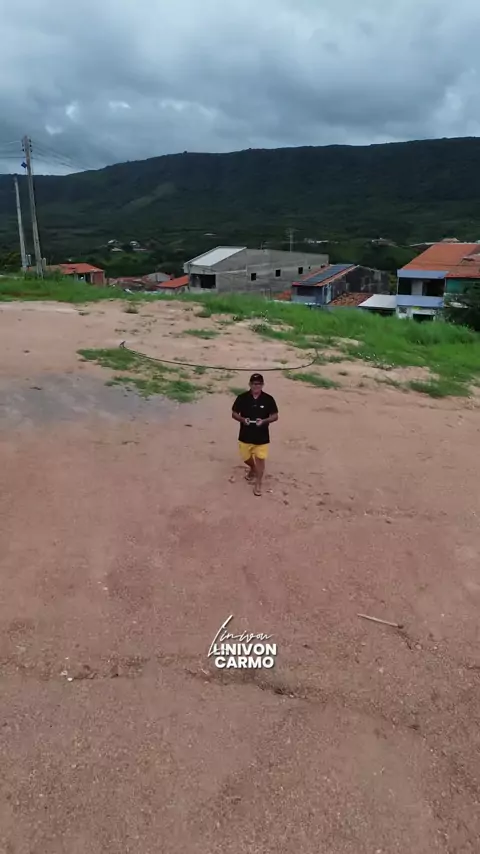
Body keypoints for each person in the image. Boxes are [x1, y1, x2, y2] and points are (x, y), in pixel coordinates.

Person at [232, 374, 279, 496]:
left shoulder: (268, 399)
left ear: (262, 385)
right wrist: (242, 419)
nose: (256, 386)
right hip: (245, 436)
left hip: (262, 437)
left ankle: (258, 483)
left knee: (260, 460)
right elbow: (234, 413)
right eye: (254, 383)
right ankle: (252, 468)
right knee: (245, 458)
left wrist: (264, 421)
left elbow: (275, 416)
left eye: (258, 384)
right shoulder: (242, 398)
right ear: (250, 384)